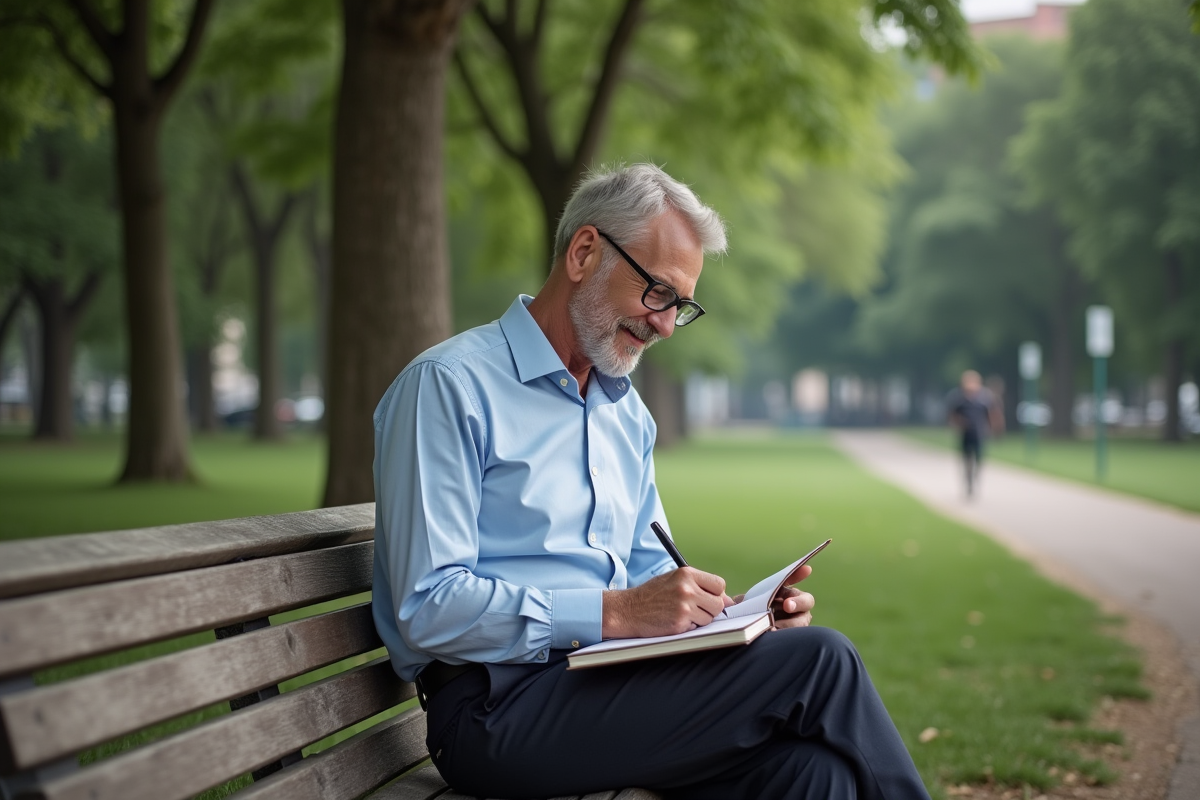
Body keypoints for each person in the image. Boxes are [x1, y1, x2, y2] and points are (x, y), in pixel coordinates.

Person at [372, 163, 930, 800]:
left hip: (603, 685)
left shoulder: (625, 414)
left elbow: (648, 578)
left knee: (813, 776)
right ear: (585, 252)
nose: (666, 324)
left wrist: (734, 622)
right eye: (658, 293)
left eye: (681, 306)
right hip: (495, 713)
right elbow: (426, 606)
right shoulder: (448, 387)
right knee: (823, 661)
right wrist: (613, 612)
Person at [946, 370, 1004, 498]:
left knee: (979, 457)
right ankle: (969, 480)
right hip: (965, 433)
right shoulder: (958, 398)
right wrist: (959, 423)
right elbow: (952, 415)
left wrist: (994, 428)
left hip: (980, 432)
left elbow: (993, 414)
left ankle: (975, 476)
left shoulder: (985, 398)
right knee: (967, 458)